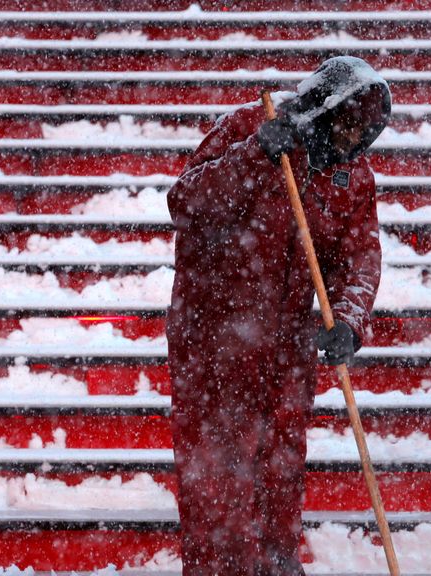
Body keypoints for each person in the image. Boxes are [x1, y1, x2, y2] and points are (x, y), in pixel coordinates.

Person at [166, 56, 391, 576]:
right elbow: (185, 202)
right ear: (324, 108)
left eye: (366, 131)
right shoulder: (251, 127)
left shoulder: (351, 177)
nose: (355, 139)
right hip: (214, 337)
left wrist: (348, 318)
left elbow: (359, 256)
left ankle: (277, 564)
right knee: (218, 475)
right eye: (349, 123)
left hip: (285, 346)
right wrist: (253, 158)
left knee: (279, 470)